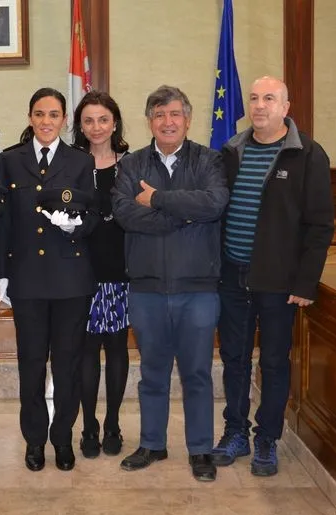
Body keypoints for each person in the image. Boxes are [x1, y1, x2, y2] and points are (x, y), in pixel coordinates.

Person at [213, 77, 334, 477]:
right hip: (233, 276)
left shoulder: (308, 154)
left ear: (286, 105)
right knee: (234, 358)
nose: (259, 105)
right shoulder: (232, 151)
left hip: (279, 281)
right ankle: (235, 432)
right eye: (254, 98)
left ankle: (267, 438)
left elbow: (320, 226)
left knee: (275, 362)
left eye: (269, 98)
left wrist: (305, 283)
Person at [111, 85, 228, 481]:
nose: (168, 122)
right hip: (146, 288)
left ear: (188, 119)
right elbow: (126, 214)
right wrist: (184, 211)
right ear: (150, 122)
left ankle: (200, 450)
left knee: (197, 372)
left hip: (198, 288)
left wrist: (158, 199)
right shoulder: (131, 165)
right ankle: (152, 444)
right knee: (153, 372)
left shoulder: (209, 160)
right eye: (159, 115)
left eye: (175, 114)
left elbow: (213, 204)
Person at [0, 88, 98, 472]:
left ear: (64, 119)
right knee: (31, 364)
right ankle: (35, 441)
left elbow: (91, 217)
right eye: (39, 114)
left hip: (71, 279)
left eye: (53, 114)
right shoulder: (10, 160)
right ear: (29, 117)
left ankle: (63, 438)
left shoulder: (80, 160)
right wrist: (2, 275)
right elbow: (4, 222)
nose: (46, 122)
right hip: (27, 280)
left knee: (68, 364)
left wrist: (75, 225)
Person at [71, 91, 131, 459]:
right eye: (88, 120)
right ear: (80, 125)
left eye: (103, 120)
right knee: (86, 351)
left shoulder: (133, 163)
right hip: (80, 270)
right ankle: (89, 426)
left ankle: (113, 424)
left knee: (118, 348)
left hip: (122, 270)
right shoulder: (71, 164)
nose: (96, 127)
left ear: (115, 123)